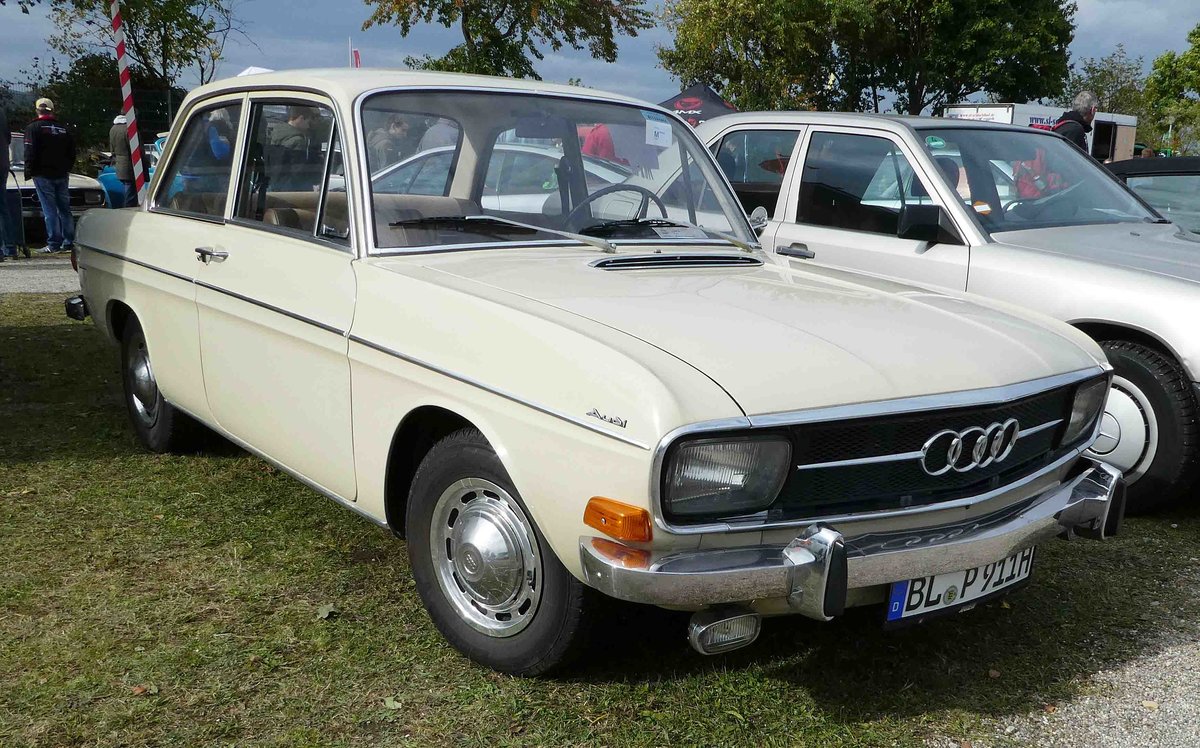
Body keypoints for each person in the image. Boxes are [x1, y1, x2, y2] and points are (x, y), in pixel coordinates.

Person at [24, 97, 76, 253]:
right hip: (61, 173)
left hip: (42, 174)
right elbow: (72, 152)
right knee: (65, 209)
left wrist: (29, 171)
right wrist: (66, 168)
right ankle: (69, 241)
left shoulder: (33, 128)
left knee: (49, 210)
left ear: (37, 110)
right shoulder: (63, 129)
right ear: (52, 110)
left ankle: (53, 243)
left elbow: (30, 151)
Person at [0, 107, 22, 260]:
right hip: (2, 163)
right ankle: (9, 247)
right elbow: (7, 138)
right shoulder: (1, 112)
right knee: (3, 208)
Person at [108, 113, 138, 207]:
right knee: (130, 194)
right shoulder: (129, 129)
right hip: (130, 165)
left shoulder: (113, 129)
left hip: (119, 164)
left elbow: (112, 148)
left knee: (127, 190)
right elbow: (136, 149)